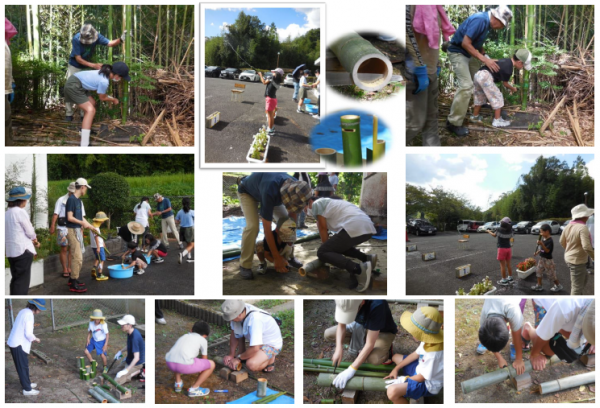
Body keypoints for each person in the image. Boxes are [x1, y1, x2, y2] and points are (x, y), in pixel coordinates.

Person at [446, 6, 512, 136]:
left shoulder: (486, 23)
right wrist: (484, 60)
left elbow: (476, 41)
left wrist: (486, 56)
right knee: (466, 86)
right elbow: (466, 43)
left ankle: (480, 104)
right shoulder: (480, 20)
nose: (501, 28)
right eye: (502, 25)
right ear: (496, 18)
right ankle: (453, 122)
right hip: (458, 52)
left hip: (469, 53)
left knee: (479, 79)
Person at [237, 173, 311, 279]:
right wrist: (276, 258)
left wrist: (290, 240)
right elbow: (266, 228)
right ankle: (244, 265)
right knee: (253, 227)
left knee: (287, 223)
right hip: (247, 192)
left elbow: (292, 215)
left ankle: (289, 257)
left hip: (273, 194)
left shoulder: (297, 186)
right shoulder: (270, 190)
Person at [406, 5, 454, 146]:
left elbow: (434, 41)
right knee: (414, 123)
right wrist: (419, 67)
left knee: (432, 119)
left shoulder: (437, 7)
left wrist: (437, 64)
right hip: (413, 71)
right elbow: (405, 34)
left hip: (430, 70)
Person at [306, 196, 377, 292]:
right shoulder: (330, 204)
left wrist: (325, 251)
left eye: (305, 207)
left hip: (355, 225)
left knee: (322, 252)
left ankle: (359, 269)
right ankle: (366, 258)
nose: (305, 211)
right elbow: (324, 230)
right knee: (336, 245)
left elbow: (323, 229)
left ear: (310, 201)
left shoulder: (316, 203)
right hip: (367, 227)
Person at [328, 300, 398, 390]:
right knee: (329, 334)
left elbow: (370, 344)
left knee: (374, 359)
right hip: (361, 326)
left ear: (362, 302)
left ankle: (386, 351)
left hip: (382, 331)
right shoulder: (344, 301)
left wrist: (351, 369)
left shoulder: (377, 305)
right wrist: (339, 347)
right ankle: (363, 346)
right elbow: (341, 326)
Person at [65, 24, 126, 122]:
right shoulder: (76, 39)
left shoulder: (96, 36)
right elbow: (78, 59)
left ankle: (83, 116)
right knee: (70, 88)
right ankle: (69, 114)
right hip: (75, 65)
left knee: (85, 91)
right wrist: (94, 65)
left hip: (87, 67)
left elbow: (110, 43)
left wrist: (121, 39)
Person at [384, 307, 444, 404]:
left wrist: (403, 379)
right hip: (419, 368)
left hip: (428, 384)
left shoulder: (433, 354)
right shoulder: (430, 338)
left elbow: (421, 378)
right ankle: (408, 390)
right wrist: (396, 368)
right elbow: (415, 354)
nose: (411, 333)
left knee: (392, 392)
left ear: (423, 333)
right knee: (395, 357)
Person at [64, 62, 130, 146]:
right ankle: (84, 144)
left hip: (80, 84)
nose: (120, 79)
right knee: (90, 110)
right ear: (117, 75)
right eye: (121, 77)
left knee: (92, 103)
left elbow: (103, 94)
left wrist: (111, 98)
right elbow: (102, 98)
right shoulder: (104, 81)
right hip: (73, 85)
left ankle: (84, 129)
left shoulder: (105, 71)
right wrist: (113, 100)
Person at [525, 299, 594, 371]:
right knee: (548, 350)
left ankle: (557, 326)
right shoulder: (565, 309)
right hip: (544, 304)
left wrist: (592, 340)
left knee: (568, 336)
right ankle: (528, 328)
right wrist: (535, 354)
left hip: (563, 317)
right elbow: (541, 336)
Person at [470, 49, 532, 127]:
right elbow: (505, 84)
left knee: (480, 97)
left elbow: (495, 61)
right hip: (486, 76)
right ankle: (497, 120)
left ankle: (475, 117)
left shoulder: (506, 60)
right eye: (523, 65)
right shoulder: (509, 69)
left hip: (478, 74)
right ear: (519, 62)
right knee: (498, 96)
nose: (522, 67)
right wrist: (513, 88)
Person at [221, 300, 283, 373]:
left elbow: (255, 348)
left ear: (239, 315)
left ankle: (270, 360)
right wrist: (231, 355)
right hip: (258, 341)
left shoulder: (255, 320)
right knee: (239, 328)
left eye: (231, 318)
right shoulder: (239, 310)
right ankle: (243, 353)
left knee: (251, 364)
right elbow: (234, 333)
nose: (230, 320)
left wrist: (238, 358)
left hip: (271, 344)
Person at [5, 187, 40, 295]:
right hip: (22, 250)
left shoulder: (6, 213)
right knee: (22, 282)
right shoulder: (20, 212)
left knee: (16, 280)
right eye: (25, 199)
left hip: (11, 251)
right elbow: (29, 231)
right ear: (21, 200)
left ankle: (12, 298)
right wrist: (35, 239)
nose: (26, 201)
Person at [165, 321, 215, 397]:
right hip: (183, 366)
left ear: (191, 330)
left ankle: (178, 383)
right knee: (211, 364)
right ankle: (194, 389)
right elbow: (205, 359)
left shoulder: (184, 336)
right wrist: (201, 369)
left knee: (179, 356)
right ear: (205, 336)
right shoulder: (203, 340)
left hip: (169, 362)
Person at [7, 299, 46, 396]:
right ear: (36, 307)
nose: (40, 311)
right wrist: (36, 339)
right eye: (40, 309)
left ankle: (27, 383)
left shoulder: (23, 311)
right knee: (22, 367)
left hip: (16, 342)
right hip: (18, 344)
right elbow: (28, 334)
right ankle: (27, 390)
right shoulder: (29, 315)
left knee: (24, 366)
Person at [476, 299, 525, 374]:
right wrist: (499, 358)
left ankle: (513, 345)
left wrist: (519, 359)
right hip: (498, 304)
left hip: (516, 300)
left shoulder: (514, 312)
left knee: (516, 331)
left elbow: (517, 337)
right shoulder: (484, 320)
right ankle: (487, 343)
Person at [50, 182, 86, 279]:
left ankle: (70, 268)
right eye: (70, 191)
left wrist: (82, 227)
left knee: (72, 249)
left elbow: (81, 215)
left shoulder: (79, 201)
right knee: (64, 248)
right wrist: (52, 225)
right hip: (62, 227)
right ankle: (65, 268)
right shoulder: (61, 200)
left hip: (74, 227)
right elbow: (55, 213)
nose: (71, 193)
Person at [560, 204, 595, 295]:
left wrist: (569, 249)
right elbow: (587, 247)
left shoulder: (568, 226)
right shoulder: (582, 227)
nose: (588, 216)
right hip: (577, 261)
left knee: (583, 280)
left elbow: (561, 241)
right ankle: (576, 301)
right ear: (584, 216)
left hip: (570, 258)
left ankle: (579, 296)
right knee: (576, 288)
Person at [66, 178, 93, 293]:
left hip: (77, 230)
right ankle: (73, 282)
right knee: (77, 257)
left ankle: (73, 279)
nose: (86, 190)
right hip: (71, 230)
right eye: (86, 187)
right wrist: (82, 223)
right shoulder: (71, 200)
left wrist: (91, 226)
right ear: (82, 187)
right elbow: (70, 217)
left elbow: (81, 217)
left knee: (77, 257)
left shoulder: (78, 201)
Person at [114, 315, 145, 385]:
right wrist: (120, 351)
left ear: (129, 325)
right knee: (115, 372)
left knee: (117, 380)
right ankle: (130, 371)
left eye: (123, 324)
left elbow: (137, 358)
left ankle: (138, 371)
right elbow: (129, 345)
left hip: (137, 363)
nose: (121, 326)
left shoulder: (135, 337)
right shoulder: (130, 333)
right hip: (129, 359)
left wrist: (126, 370)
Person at [532, 224, 563, 292]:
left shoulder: (550, 241)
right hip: (542, 259)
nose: (541, 234)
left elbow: (547, 250)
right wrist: (537, 252)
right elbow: (542, 249)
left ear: (547, 231)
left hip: (548, 260)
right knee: (538, 271)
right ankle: (539, 285)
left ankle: (558, 285)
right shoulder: (544, 239)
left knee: (551, 274)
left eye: (542, 232)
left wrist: (541, 244)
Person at [486, 217, 514, 286]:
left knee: (502, 266)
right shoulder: (510, 230)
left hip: (502, 249)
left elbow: (494, 235)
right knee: (508, 264)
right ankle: (510, 277)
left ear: (502, 223)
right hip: (508, 248)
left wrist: (489, 231)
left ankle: (504, 280)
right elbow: (510, 237)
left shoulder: (498, 229)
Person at [84, 309, 110, 374]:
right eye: (96, 319)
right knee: (86, 351)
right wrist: (88, 338)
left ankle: (105, 367)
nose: (97, 320)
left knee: (102, 355)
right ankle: (93, 362)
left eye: (99, 319)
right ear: (93, 318)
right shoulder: (91, 323)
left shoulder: (103, 324)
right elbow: (90, 331)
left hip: (101, 341)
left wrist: (105, 345)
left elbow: (107, 334)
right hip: (93, 340)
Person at [259, 68, 283, 135]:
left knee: (269, 116)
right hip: (273, 99)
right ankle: (271, 128)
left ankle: (270, 130)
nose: (273, 72)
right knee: (271, 115)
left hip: (269, 99)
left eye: (274, 72)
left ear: (276, 73)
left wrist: (260, 75)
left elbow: (264, 82)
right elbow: (268, 82)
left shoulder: (271, 78)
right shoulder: (278, 81)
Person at [5, 18, 17, 146]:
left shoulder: (4, 45)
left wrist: (11, 83)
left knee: (5, 127)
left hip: (5, 90)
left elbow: (7, 67)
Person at [90, 212, 109, 281]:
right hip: (98, 246)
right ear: (100, 220)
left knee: (97, 257)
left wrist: (103, 242)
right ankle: (99, 274)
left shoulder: (93, 225)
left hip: (94, 245)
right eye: (103, 220)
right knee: (102, 259)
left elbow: (98, 236)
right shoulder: (96, 228)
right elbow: (96, 237)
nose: (104, 221)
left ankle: (94, 268)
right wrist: (99, 247)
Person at [175, 197, 194, 264]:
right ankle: (182, 254)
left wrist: (181, 221)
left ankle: (189, 257)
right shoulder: (191, 212)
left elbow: (176, 221)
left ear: (182, 203)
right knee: (192, 244)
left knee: (188, 243)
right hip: (189, 229)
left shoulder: (179, 212)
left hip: (182, 229)